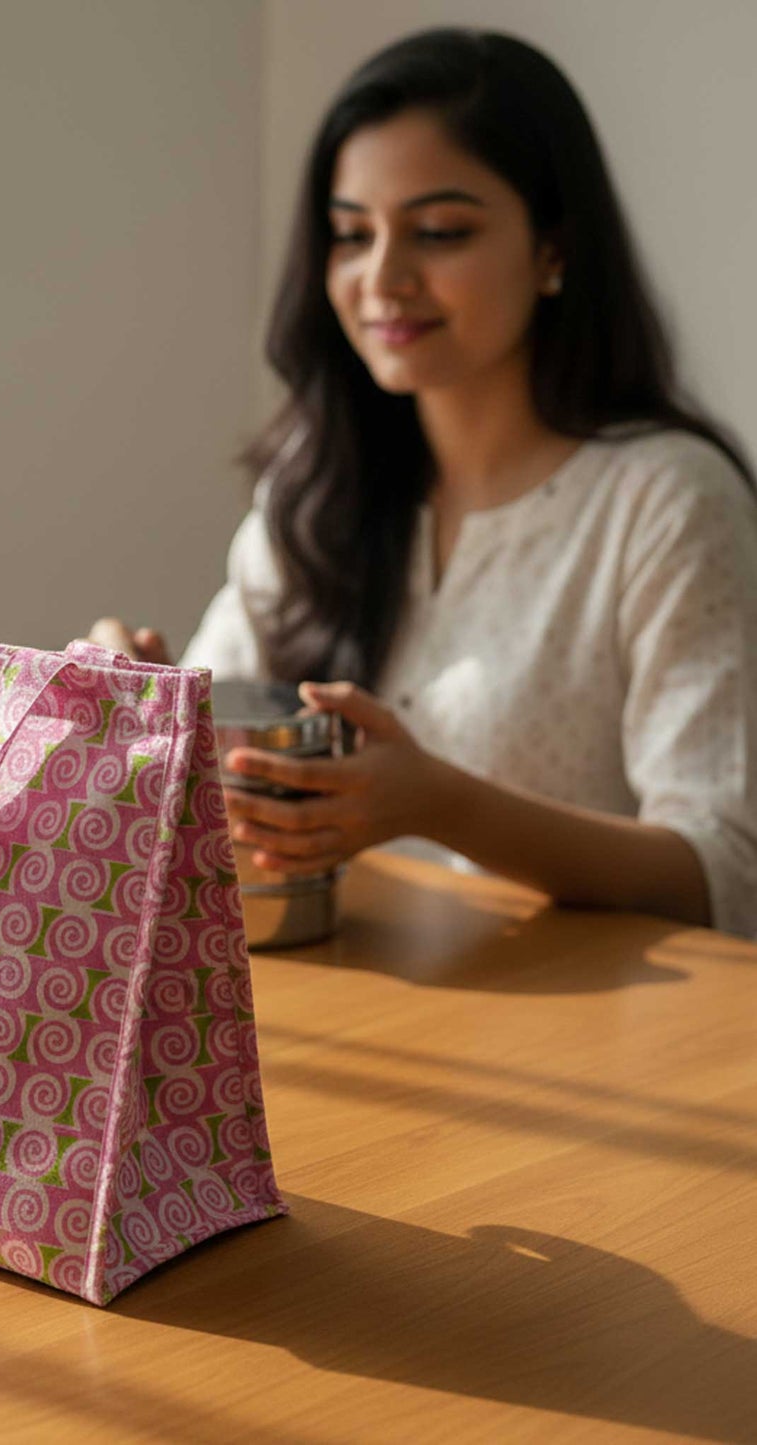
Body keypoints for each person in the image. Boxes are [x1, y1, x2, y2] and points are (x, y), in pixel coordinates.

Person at [88, 27, 757, 938]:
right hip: (346, 1014)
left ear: (554, 248)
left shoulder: (665, 502)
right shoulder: (315, 486)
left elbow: (724, 869)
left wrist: (440, 804)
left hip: (586, 1047)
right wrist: (142, 703)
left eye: (440, 231)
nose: (382, 278)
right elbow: (218, 755)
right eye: (351, 235)